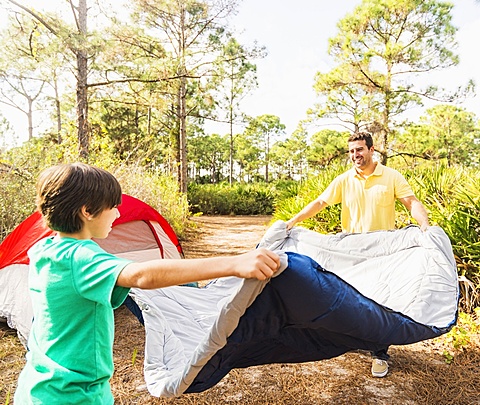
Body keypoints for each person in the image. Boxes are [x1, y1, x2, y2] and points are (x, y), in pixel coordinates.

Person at [14, 162, 280, 405]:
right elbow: (142, 276)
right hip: (72, 395)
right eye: (113, 207)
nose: (117, 214)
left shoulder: (45, 249)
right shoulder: (81, 257)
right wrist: (233, 263)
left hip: (38, 386)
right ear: (87, 211)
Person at [286, 131, 430, 378]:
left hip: (382, 250)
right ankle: (356, 340)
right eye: (351, 151)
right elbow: (320, 203)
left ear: (372, 150)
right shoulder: (344, 180)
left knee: (380, 301)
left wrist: (426, 227)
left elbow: (411, 201)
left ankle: (380, 353)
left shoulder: (391, 176)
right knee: (353, 298)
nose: (355, 155)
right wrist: (292, 221)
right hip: (350, 249)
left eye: (360, 150)